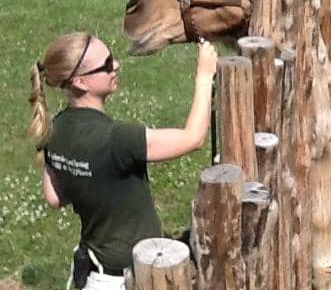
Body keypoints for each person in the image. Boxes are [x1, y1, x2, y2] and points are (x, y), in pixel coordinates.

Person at [28, 33, 218, 289]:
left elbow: (54, 198)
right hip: (131, 278)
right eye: (106, 65)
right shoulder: (117, 139)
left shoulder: (55, 129)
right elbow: (193, 138)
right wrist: (204, 75)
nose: (116, 65)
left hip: (94, 277)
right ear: (81, 82)